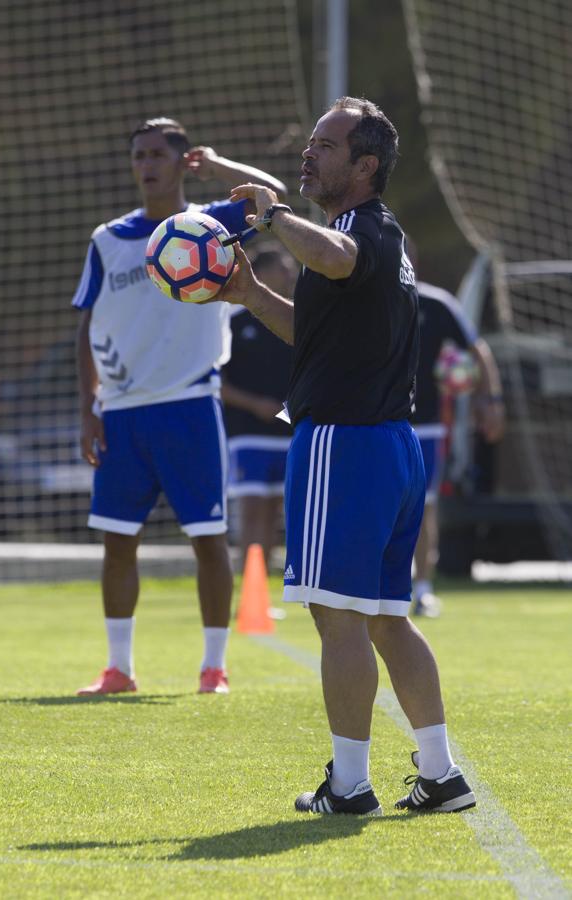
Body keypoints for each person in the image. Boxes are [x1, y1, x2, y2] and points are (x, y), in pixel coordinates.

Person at [215, 96, 476, 814]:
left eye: (325, 147)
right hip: (387, 445)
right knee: (388, 617)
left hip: (346, 445)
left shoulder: (358, 231)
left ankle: (352, 786)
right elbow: (317, 335)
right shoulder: (370, 236)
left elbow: (334, 256)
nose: (308, 154)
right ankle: (441, 773)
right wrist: (250, 291)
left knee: (337, 615)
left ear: (364, 166)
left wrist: (269, 216)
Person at [72, 117, 286, 696]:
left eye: (157, 154)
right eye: (137, 154)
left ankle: (213, 668)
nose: (146, 164)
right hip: (119, 411)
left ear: (179, 160)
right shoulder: (107, 239)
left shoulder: (209, 223)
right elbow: (86, 324)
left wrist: (217, 167)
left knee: (208, 539)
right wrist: (89, 407)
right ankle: (119, 668)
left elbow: (274, 196)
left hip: (189, 405)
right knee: (118, 540)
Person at [411, 273, 505, 616]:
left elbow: (476, 351)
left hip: (426, 426)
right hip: (373, 422)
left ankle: (422, 588)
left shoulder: (436, 303)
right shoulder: (362, 297)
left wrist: (491, 400)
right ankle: (375, 586)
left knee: (424, 508)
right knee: (379, 507)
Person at [221, 247, 297, 571]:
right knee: (253, 512)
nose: (291, 276)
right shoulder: (233, 323)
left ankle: (263, 593)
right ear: (261, 275)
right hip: (247, 435)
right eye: (284, 269)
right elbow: (216, 382)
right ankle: (249, 590)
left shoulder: (298, 322)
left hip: (290, 433)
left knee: (277, 516)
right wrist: (255, 405)